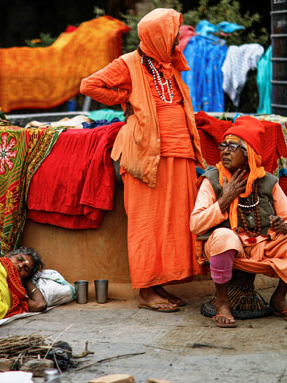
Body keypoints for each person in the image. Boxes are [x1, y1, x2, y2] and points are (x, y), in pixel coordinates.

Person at [80, 8, 205, 312]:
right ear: (157, 37)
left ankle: (160, 285)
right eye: (172, 35)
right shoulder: (129, 63)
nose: (176, 40)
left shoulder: (169, 63)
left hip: (180, 152)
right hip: (146, 155)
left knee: (174, 222)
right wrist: (125, 97)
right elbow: (89, 85)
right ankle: (146, 292)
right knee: (147, 223)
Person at [190, 116, 287, 328]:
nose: (225, 151)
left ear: (249, 155)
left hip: (262, 246)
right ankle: (223, 302)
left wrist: (284, 226)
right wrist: (224, 200)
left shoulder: (267, 181)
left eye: (233, 147)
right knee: (223, 236)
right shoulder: (212, 179)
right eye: (223, 145)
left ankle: (278, 299)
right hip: (228, 248)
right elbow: (196, 224)